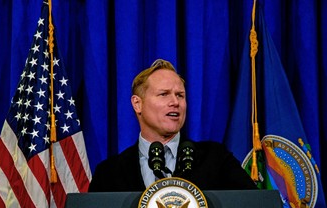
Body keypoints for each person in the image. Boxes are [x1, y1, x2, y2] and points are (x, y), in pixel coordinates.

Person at [89, 59, 256, 192]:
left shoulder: (216, 160)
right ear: (137, 104)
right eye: (164, 94)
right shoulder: (109, 174)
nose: (175, 102)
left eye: (180, 95)